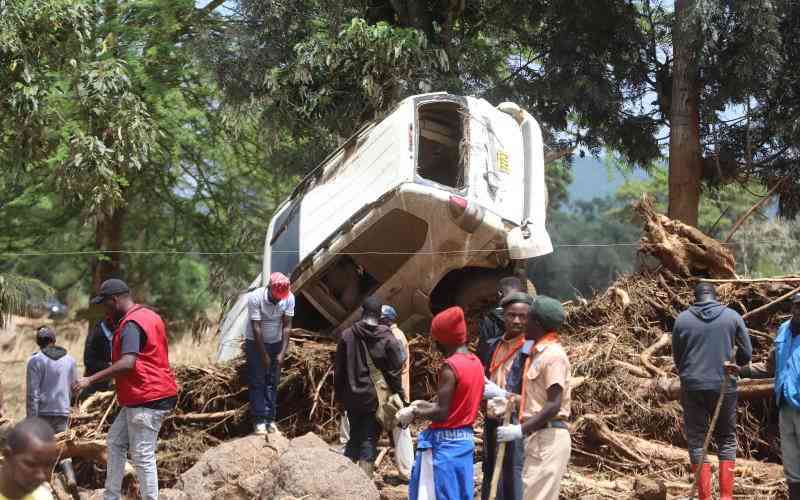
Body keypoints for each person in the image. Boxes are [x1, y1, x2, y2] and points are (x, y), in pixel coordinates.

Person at [72, 278, 178, 500]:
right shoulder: (149, 315)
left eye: (106, 304)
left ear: (115, 300)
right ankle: (111, 496)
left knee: (142, 455)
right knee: (115, 441)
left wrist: (90, 380)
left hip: (147, 397)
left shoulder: (131, 324)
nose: (105, 309)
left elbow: (128, 362)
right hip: (142, 395)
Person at [671, 282, 752, 500]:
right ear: (715, 297)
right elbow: (746, 354)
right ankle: (726, 497)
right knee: (726, 439)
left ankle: (705, 498)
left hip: (692, 386)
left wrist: (690, 374)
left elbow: (677, 359)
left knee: (697, 442)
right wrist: (736, 363)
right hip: (724, 385)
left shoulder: (682, 320)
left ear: (695, 298)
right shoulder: (732, 317)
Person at [398, 306, 484, 500]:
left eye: (436, 339)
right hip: (464, 442)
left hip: (445, 447)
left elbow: (442, 412)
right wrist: (420, 405)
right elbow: (454, 405)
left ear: (443, 339)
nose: (434, 344)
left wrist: (415, 412)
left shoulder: (450, 367)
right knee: (460, 494)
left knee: (440, 494)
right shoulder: (475, 362)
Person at [495, 295, 571, 500]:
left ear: (537, 323)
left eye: (527, 318)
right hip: (538, 438)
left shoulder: (553, 355)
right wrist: (504, 395)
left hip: (548, 438)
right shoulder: (537, 352)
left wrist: (519, 430)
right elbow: (535, 399)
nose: (521, 323)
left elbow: (553, 405)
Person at [334, 296, 406, 477]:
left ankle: (347, 482)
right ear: (379, 313)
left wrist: (340, 399)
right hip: (376, 398)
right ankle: (363, 485)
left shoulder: (347, 335)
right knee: (368, 439)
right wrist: (398, 391)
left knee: (354, 439)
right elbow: (398, 364)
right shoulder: (385, 335)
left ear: (362, 312)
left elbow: (339, 371)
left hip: (351, 397)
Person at [739, 293, 800, 499]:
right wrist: (742, 370)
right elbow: (769, 366)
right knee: (791, 462)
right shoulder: (783, 331)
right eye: (797, 306)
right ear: (792, 308)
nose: (799, 310)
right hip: (784, 405)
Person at [480, 292, 533, 500]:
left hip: (516, 419)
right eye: (512, 315)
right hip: (492, 417)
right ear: (504, 316)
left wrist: (505, 395)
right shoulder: (493, 345)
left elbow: (532, 392)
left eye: (523, 316)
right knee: (490, 468)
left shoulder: (530, 347)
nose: (517, 321)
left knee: (514, 471)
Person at [25, 327, 78, 492]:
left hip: (42, 413)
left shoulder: (35, 361)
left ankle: (46, 487)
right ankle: (70, 478)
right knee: (62, 447)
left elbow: (32, 393)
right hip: (62, 411)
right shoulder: (70, 360)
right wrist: (70, 406)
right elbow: (76, 387)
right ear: (54, 341)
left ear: (38, 343)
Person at [245, 272, 294, 435]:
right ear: (269, 288)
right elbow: (256, 327)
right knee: (258, 380)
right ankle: (259, 420)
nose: (279, 299)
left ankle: (270, 419)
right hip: (255, 342)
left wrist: (282, 352)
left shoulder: (289, 297)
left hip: (276, 341)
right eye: (276, 296)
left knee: (273, 381)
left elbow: (287, 326)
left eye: (282, 297)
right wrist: (264, 354)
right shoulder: (255, 297)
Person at [380, 304, 414, 481]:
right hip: (395, 392)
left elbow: (395, 368)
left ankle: (408, 472)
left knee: (400, 430)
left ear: (386, 320)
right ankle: (406, 471)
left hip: (396, 392)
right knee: (398, 430)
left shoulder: (395, 337)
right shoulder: (395, 334)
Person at [0, 417, 59, 500]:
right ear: (7, 455)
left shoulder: (43, 496)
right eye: (31, 464)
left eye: (47, 466)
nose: (41, 476)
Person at [478, 277, 524, 367]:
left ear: (500, 293)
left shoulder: (490, 319)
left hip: (495, 366)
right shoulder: (528, 316)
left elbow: (483, 351)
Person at [81, 315, 115, 399]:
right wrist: (110, 366)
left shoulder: (117, 332)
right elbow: (88, 361)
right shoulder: (95, 334)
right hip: (96, 385)